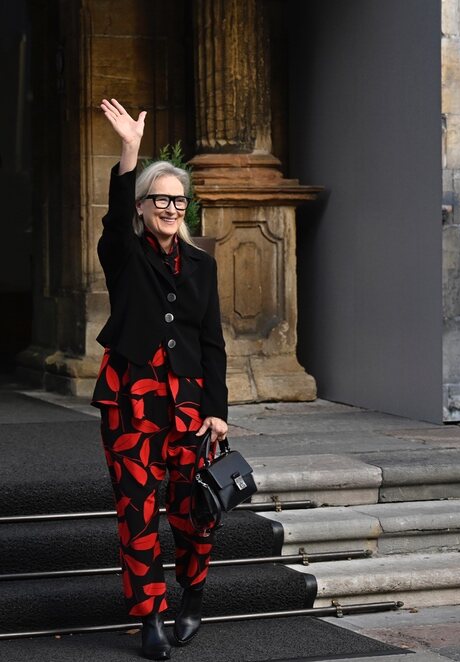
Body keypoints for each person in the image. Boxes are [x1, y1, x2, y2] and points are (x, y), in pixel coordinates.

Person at [95, 98, 228, 660]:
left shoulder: (201, 264)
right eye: (160, 199)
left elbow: (212, 342)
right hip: (130, 398)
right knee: (138, 510)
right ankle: (149, 616)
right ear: (143, 206)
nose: (171, 208)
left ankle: (191, 599)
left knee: (193, 509)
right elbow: (114, 216)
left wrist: (218, 410)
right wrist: (129, 151)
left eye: (178, 200)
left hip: (188, 405)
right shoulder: (124, 253)